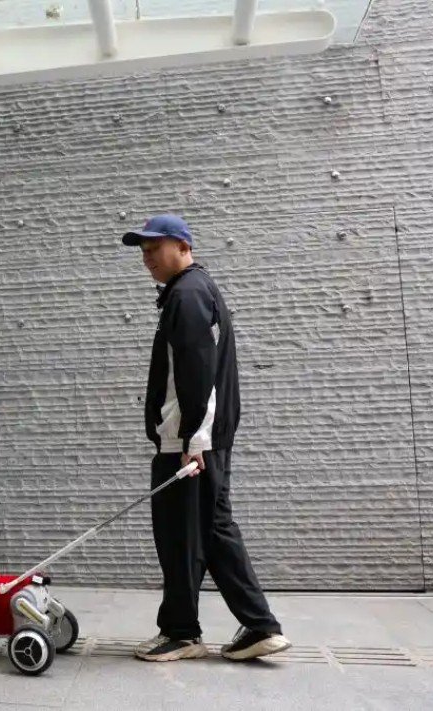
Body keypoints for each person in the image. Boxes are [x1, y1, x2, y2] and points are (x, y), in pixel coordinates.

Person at [121, 214, 292, 663]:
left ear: (182, 246)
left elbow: (201, 375)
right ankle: (260, 626)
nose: (147, 259)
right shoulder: (192, 292)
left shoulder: (189, 295)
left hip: (189, 444)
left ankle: (181, 632)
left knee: (180, 535)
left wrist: (194, 443)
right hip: (199, 440)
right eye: (143, 252)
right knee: (212, 531)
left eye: (154, 249)